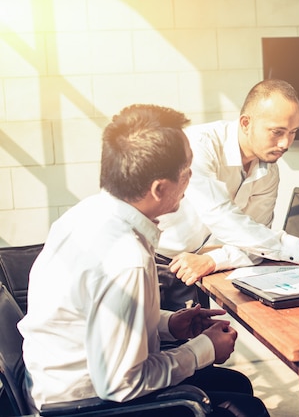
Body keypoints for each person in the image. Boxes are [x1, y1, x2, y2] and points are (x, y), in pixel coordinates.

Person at [18, 104, 269, 417]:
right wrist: (204, 349)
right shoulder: (126, 257)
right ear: (159, 189)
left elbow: (99, 318)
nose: (192, 178)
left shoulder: (85, 214)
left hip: (54, 381)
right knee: (248, 409)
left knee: (236, 386)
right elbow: (120, 383)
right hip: (83, 404)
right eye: (187, 171)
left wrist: (168, 325)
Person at [156, 79, 299, 308]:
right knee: (158, 342)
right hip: (158, 262)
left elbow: (257, 243)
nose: (285, 143)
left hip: (196, 267)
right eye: (277, 132)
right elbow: (221, 217)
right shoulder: (198, 146)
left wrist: (212, 260)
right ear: (246, 123)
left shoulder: (269, 172)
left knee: (198, 339)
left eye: (293, 132)